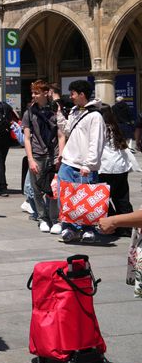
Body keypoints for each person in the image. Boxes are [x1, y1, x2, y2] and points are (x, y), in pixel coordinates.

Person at [57, 80, 105, 243]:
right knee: (66, 198)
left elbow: (96, 142)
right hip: (68, 162)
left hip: (84, 166)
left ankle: (88, 229)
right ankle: (69, 228)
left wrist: (89, 165)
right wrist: (59, 115)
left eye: (73, 94)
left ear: (82, 94)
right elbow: (68, 130)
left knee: (86, 199)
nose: (71, 97)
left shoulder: (95, 116)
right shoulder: (74, 111)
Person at [22, 80, 63, 234]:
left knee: (53, 189)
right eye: (32, 92)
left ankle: (55, 219)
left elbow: (61, 135)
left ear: (46, 93)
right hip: (37, 155)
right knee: (37, 189)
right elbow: (27, 138)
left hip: (54, 155)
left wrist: (60, 156)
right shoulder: (29, 113)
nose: (33, 95)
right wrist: (30, 159)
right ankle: (42, 218)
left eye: (37, 93)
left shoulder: (56, 111)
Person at [98, 103, 135, 233]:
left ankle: (114, 224)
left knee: (102, 199)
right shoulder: (117, 126)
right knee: (122, 198)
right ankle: (128, 227)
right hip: (120, 167)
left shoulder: (99, 128)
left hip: (105, 167)